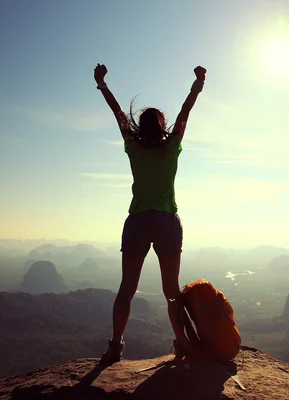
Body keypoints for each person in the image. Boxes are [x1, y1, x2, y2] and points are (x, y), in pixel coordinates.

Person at [93, 63, 206, 364]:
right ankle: (182, 344)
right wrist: (198, 83)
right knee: (171, 290)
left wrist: (102, 84)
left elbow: (118, 114)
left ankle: (115, 346)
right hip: (167, 223)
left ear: (140, 127)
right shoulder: (172, 148)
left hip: (138, 223)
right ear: (163, 125)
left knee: (126, 289)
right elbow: (185, 113)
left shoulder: (133, 146)